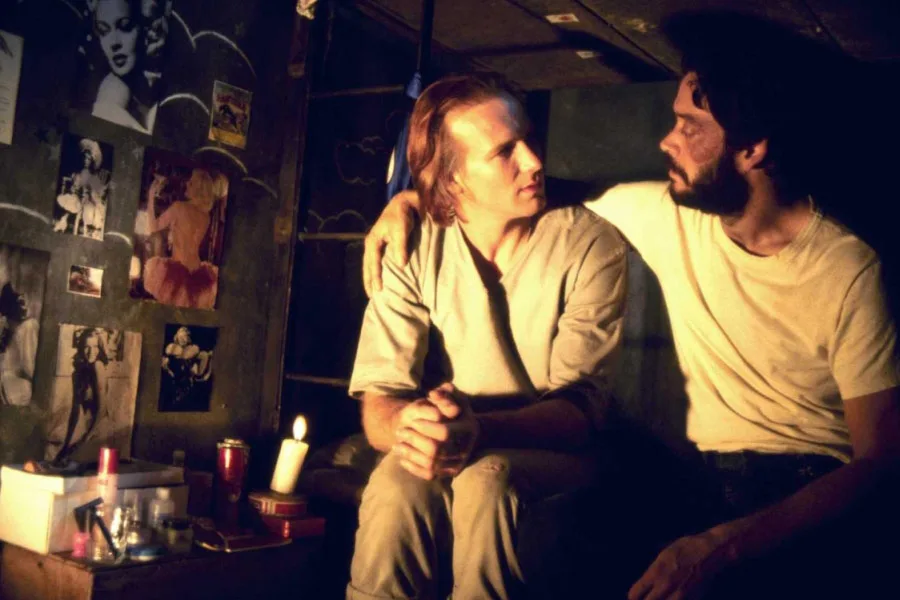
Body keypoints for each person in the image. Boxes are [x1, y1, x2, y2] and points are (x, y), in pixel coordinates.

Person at [359, 13, 900, 600]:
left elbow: (882, 462)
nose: (667, 140)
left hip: (802, 490)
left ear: (752, 148)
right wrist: (409, 199)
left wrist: (726, 545)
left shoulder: (849, 270)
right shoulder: (668, 212)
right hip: (696, 476)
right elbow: (510, 194)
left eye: (689, 126)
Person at [346, 74, 627, 600]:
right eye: (504, 152)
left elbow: (580, 412)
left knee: (487, 483)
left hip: (547, 448)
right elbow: (380, 399)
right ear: (452, 181)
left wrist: (479, 431)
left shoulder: (589, 244)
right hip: (451, 436)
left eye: (528, 140)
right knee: (395, 486)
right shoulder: (409, 242)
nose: (534, 161)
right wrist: (411, 426)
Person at [142, 168, 225, 309]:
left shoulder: (179, 207)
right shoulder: (205, 217)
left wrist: (151, 195)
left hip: (177, 272)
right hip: (197, 272)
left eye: (191, 183)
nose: (187, 184)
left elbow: (153, 227)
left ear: (198, 190)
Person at [86, 0, 170, 134]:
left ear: (147, 27)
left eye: (125, 27)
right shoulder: (110, 97)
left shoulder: (156, 82)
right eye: (103, 31)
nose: (114, 43)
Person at [57, 328, 109, 461]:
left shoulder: (98, 367)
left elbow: (102, 410)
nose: (91, 352)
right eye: (87, 347)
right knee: (62, 458)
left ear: (99, 348)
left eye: (95, 346)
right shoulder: (77, 374)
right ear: (81, 349)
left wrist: (84, 440)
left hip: (100, 429)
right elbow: (75, 412)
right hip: (88, 429)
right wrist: (66, 444)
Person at [54, 138, 110, 239]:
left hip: (86, 201)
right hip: (76, 198)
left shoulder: (92, 177)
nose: (86, 160)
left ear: (92, 162)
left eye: (89, 159)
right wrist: (73, 186)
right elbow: (73, 184)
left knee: (89, 210)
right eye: (85, 157)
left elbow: (95, 191)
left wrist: (93, 192)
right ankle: (63, 221)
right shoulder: (78, 173)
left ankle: (82, 229)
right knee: (72, 204)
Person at [0, 282, 38, 408]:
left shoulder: (27, 327)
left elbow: (29, 367)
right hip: (9, 391)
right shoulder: (18, 329)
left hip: (17, 393)